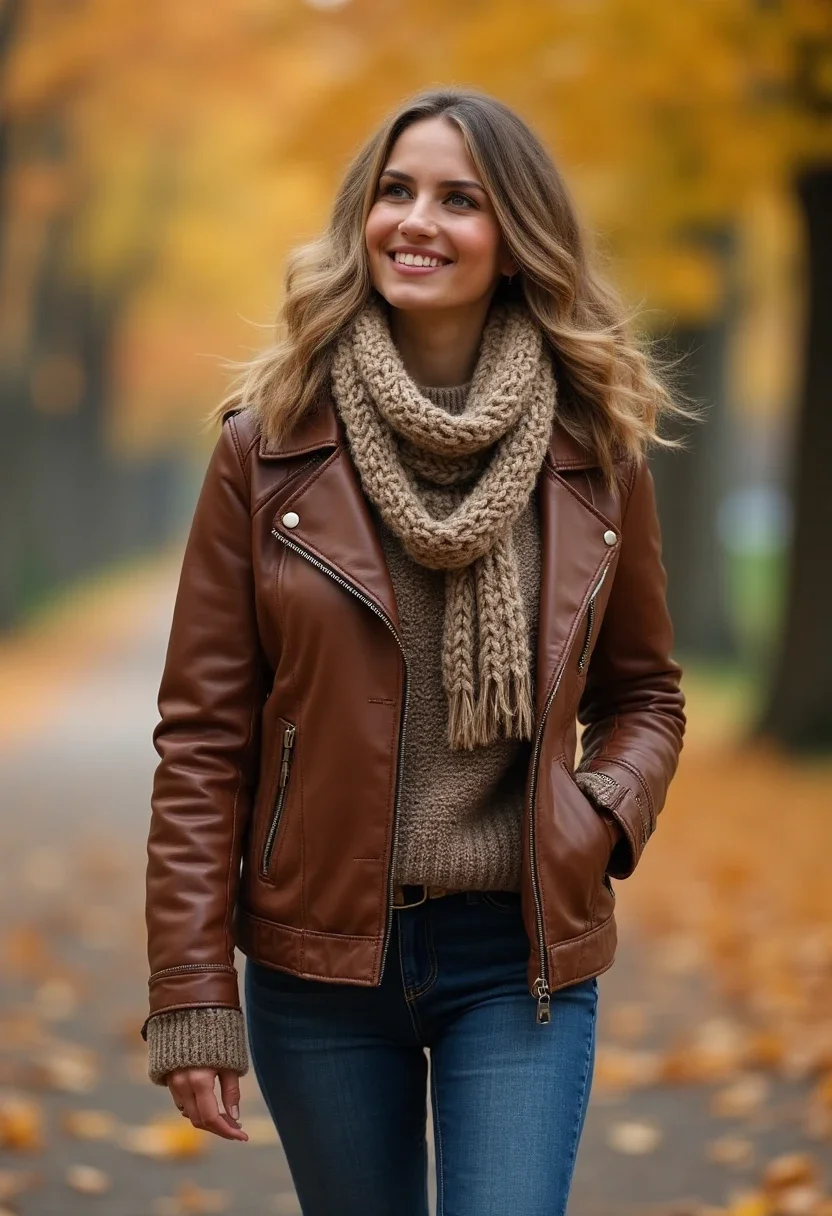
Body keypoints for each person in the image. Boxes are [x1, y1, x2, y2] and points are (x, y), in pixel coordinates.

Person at [141, 86, 688, 1216]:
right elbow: (200, 740)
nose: (415, 220)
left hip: (517, 955)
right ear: (362, 216)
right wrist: (193, 990)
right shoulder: (267, 447)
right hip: (318, 967)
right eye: (394, 191)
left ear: (515, 238)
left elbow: (644, 692)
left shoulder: (596, 451)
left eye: (458, 198)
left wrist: (599, 816)